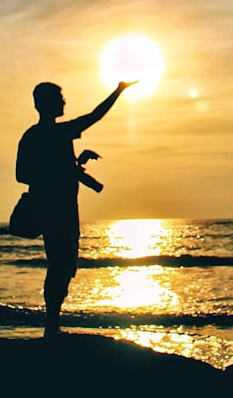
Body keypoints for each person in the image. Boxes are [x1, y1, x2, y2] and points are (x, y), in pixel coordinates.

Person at [16, 80, 136, 336]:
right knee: (60, 265)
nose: (64, 101)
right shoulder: (50, 134)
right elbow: (23, 174)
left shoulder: (42, 135)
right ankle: (51, 325)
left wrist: (74, 164)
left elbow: (34, 171)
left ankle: (53, 323)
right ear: (45, 103)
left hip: (64, 208)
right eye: (59, 98)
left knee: (62, 265)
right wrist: (118, 91)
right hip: (55, 209)